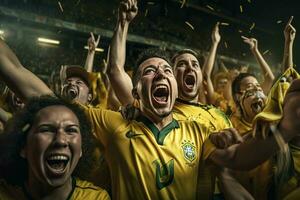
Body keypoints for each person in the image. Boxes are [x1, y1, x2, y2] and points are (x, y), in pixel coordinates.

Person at [0, 96, 110, 199]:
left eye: (71, 130)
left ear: (81, 149)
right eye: (46, 130)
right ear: (23, 147)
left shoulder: (95, 198)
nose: (61, 140)